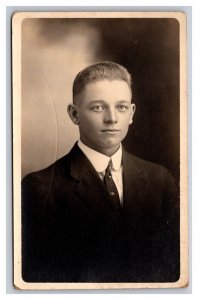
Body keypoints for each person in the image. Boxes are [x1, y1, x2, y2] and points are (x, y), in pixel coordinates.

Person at [22, 61, 180, 283]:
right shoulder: (39, 187)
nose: (112, 118)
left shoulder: (159, 179)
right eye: (98, 107)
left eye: (121, 107)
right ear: (74, 114)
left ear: (132, 113)